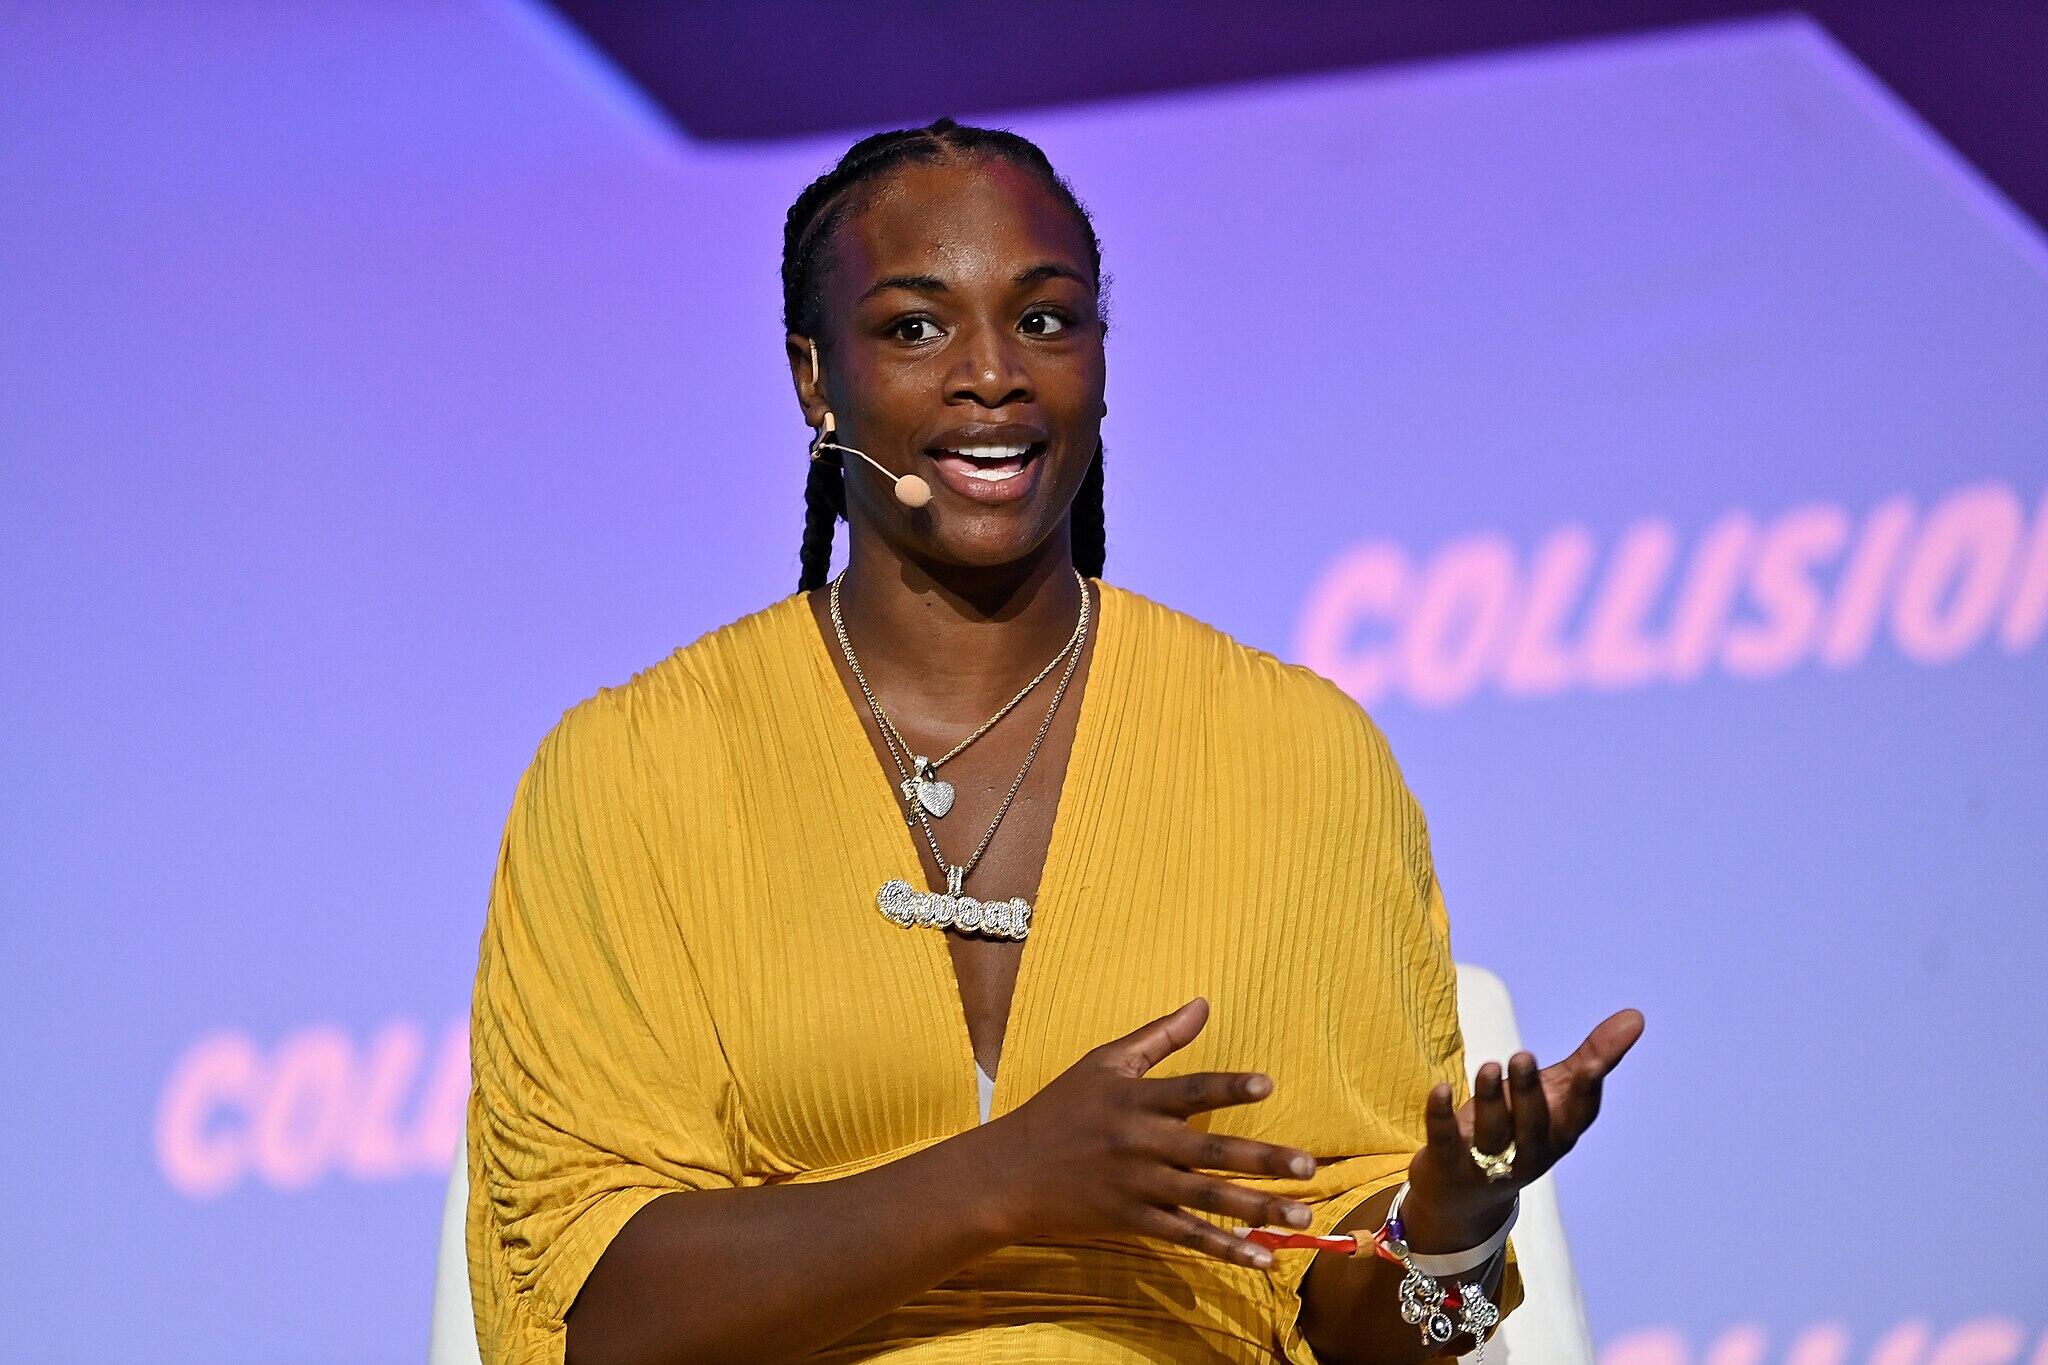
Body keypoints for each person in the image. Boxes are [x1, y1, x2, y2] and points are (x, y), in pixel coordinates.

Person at [463, 118, 1643, 1365]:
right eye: (915, 327)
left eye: (1044, 321)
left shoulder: (1298, 756)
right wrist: (1001, 1184)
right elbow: (590, 1326)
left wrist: (1451, 1224)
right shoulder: (628, 777)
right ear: (814, 376)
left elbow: (1373, 1340)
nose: (992, 376)